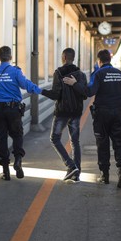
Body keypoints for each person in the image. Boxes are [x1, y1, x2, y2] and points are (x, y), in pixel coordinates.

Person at [63, 49, 121, 188]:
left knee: (103, 145)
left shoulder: (99, 74)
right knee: (119, 143)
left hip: (102, 115)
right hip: (119, 114)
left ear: (99, 61)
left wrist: (75, 84)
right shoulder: (120, 74)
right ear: (109, 60)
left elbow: (89, 91)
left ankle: (105, 176)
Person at [0, 46, 42, 181]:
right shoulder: (15, 72)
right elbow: (26, 85)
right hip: (13, 110)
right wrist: (41, 91)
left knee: (1, 139)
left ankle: (5, 171)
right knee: (17, 135)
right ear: (10, 57)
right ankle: (18, 160)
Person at [41, 48, 87, 183]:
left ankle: (70, 165)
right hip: (76, 113)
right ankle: (76, 172)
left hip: (62, 113)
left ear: (64, 57)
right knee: (75, 141)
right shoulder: (81, 75)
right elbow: (84, 94)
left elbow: (56, 95)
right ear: (74, 57)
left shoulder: (59, 73)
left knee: (54, 138)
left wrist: (42, 91)